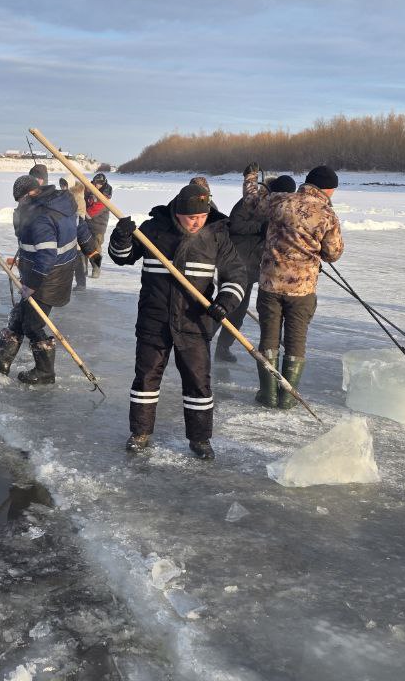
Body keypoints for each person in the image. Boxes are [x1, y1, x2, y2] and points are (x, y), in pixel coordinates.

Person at [108, 183, 247, 460]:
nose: (196, 222)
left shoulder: (216, 235)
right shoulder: (153, 229)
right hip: (154, 318)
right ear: (177, 213)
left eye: (202, 216)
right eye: (190, 217)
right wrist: (121, 237)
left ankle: (200, 439)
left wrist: (224, 302)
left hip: (194, 321)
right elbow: (121, 258)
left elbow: (236, 276)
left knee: (198, 382)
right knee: (146, 378)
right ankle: (140, 433)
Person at [241, 163, 344, 409]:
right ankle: (287, 397)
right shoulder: (327, 214)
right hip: (302, 290)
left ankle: (268, 394)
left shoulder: (280, 201)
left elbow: (251, 202)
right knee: (296, 340)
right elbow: (333, 253)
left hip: (270, 284)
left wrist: (250, 177)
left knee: (269, 339)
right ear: (328, 190)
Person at [0, 175, 94, 384]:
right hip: (54, 274)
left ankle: (45, 372)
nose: (19, 204)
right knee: (18, 316)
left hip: (48, 280)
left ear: (29, 194)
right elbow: (81, 228)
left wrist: (31, 285)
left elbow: (47, 256)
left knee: (32, 324)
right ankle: (0, 361)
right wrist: (91, 250)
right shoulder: (62, 203)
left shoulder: (41, 217)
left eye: (19, 200)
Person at [215, 174, 296, 362]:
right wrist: (262, 227)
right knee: (226, 307)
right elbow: (235, 225)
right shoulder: (250, 202)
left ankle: (223, 347)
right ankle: (201, 340)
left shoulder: (279, 208)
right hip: (234, 263)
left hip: (253, 267)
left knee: (239, 313)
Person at [83, 172, 112, 278]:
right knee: (83, 247)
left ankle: (96, 268)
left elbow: (90, 213)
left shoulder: (104, 198)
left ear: (103, 184)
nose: (96, 185)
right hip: (86, 225)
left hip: (98, 227)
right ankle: (83, 270)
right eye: (95, 183)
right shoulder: (90, 191)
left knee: (95, 248)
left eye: (99, 183)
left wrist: (81, 211)